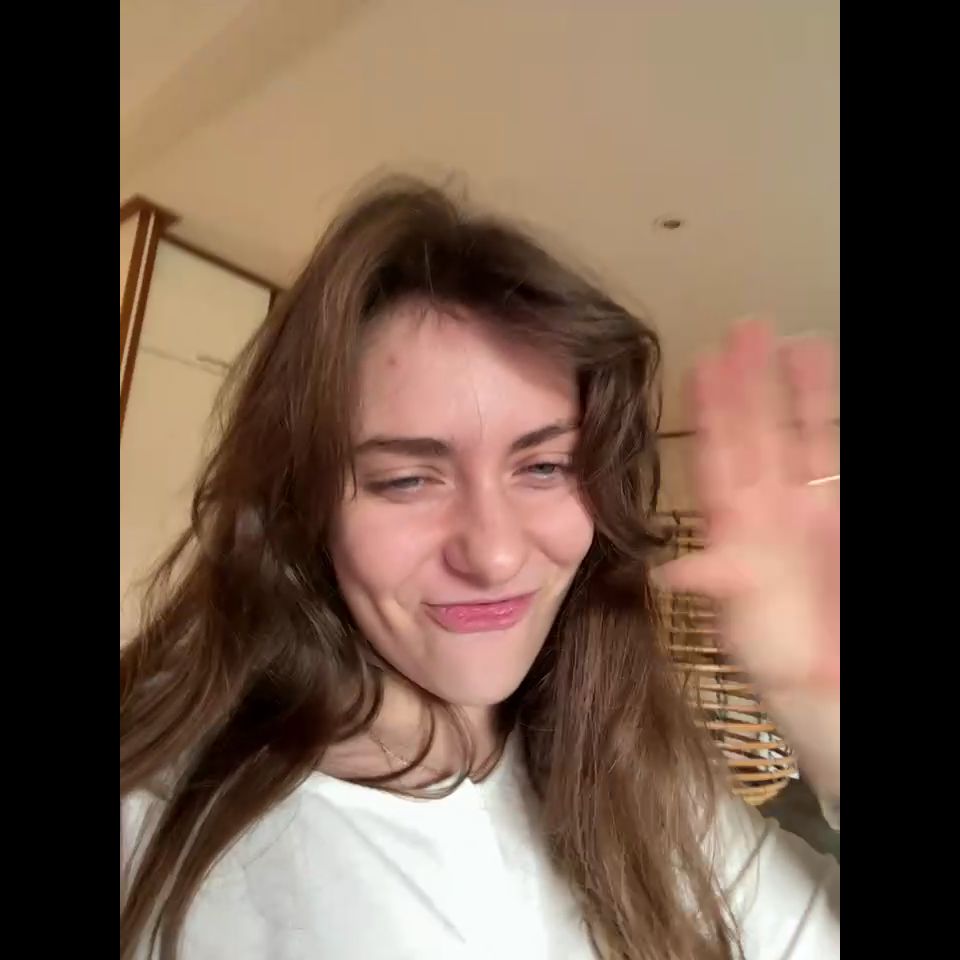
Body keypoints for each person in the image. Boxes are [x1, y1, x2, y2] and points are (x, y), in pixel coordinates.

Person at [120, 177, 839, 960]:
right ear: (301, 507)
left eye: (545, 467)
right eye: (407, 480)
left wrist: (822, 702)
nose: (494, 555)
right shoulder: (159, 831)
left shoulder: (639, 775)